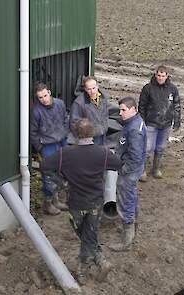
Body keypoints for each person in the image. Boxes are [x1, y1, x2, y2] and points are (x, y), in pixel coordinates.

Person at [40, 118, 121, 284]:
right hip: (96, 203)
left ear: (75, 135)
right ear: (93, 133)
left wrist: (61, 182)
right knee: (89, 234)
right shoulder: (103, 153)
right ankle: (99, 260)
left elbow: (44, 166)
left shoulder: (65, 154)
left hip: (76, 204)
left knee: (85, 235)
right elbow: (119, 164)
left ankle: (83, 269)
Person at [110, 97, 147, 252]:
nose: (120, 113)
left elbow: (136, 156)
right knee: (130, 197)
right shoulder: (132, 123)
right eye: (120, 110)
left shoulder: (134, 129)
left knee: (125, 201)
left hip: (129, 172)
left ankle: (127, 240)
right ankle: (132, 229)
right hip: (131, 170)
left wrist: (123, 169)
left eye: (123, 110)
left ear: (133, 109)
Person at [30, 82, 68, 215]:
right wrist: (40, 147)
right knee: (48, 174)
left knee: (60, 171)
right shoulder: (36, 111)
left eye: (45, 95)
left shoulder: (60, 104)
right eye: (40, 97)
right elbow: (32, 132)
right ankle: (48, 202)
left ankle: (56, 199)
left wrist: (64, 136)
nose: (44, 99)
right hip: (47, 145)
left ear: (49, 92)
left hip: (61, 141)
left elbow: (65, 120)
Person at [138, 65, 181, 180]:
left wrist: (177, 121)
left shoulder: (172, 89)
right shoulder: (148, 88)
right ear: (155, 75)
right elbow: (141, 106)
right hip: (151, 122)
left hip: (166, 124)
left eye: (163, 76)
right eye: (158, 75)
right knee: (147, 148)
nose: (160, 78)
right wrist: (142, 120)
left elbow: (177, 105)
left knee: (160, 148)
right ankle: (142, 170)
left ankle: (156, 168)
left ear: (167, 76)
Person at [69, 76, 108, 145]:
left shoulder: (103, 97)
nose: (92, 91)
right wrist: (83, 139)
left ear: (97, 86)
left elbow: (105, 114)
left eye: (94, 88)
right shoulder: (79, 103)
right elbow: (74, 123)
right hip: (89, 138)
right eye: (89, 89)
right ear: (85, 89)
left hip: (103, 134)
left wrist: (105, 127)